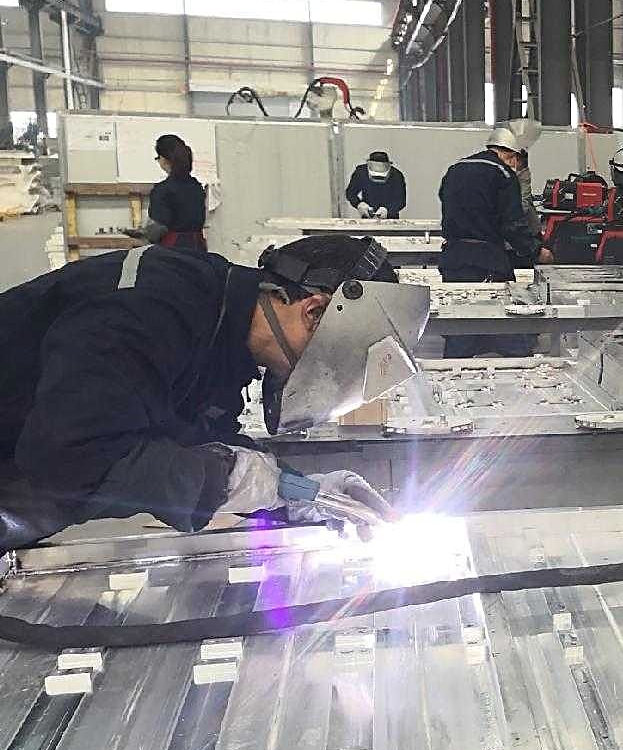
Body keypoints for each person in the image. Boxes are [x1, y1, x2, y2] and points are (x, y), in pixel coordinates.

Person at [0, 234, 428, 551]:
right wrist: (226, 479)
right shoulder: (152, 308)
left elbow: (194, 437)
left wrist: (299, 493)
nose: (333, 377)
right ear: (313, 311)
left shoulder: (222, 331)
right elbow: (68, 455)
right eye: (341, 363)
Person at [438, 118, 552, 357]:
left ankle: (452, 375)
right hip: (487, 263)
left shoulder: (455, 168)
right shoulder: (503, 175)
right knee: (508, 330)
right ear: (512, 155)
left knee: (460, 325)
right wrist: (536, 251)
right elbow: (512, 224)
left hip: (453, 259)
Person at [139, 133, 208, 251]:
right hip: (198, 249)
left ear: (164, 160)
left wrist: (141, 234)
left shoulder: (162, 190)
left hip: (172, 252)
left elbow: (156, 231)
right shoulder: (196, 187)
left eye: (158, 157)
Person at [346, 149, 407, 219]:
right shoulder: (361, 172)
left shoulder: (397, 175)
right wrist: (359, 204)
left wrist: (388, 210)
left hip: (390, 217)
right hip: (368, 215)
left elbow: (401, 200)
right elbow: (350, 193)